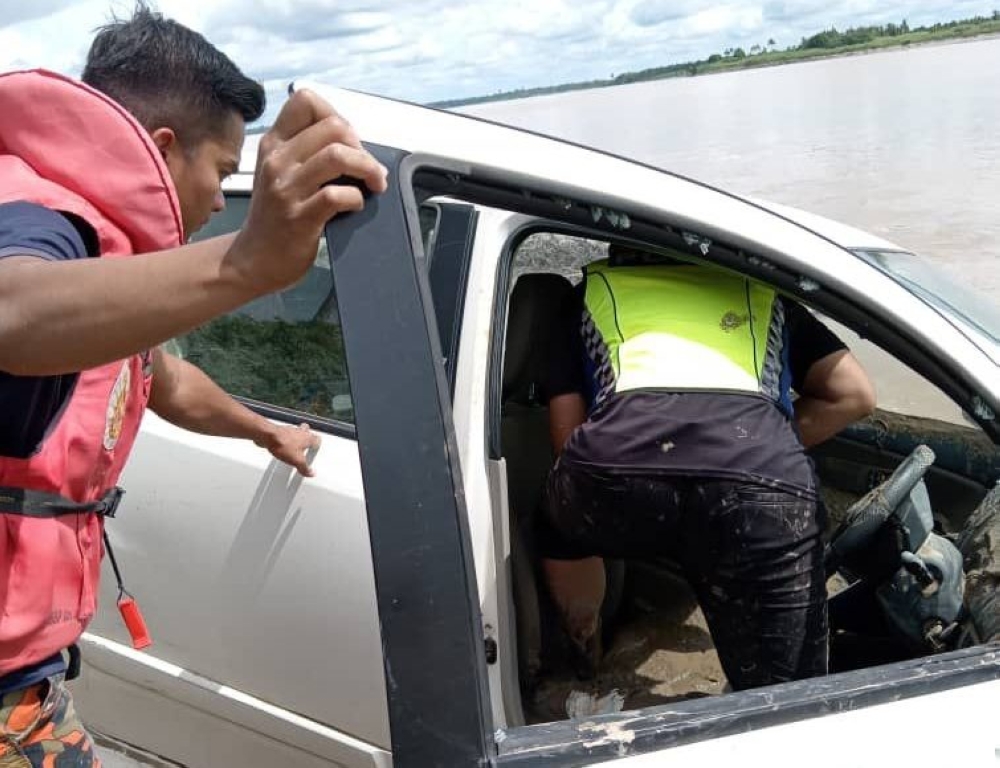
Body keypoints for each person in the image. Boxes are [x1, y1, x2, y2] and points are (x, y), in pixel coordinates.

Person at [0, 7, 388, 764]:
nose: (220, 200)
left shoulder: (105, 262)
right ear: (163, 147)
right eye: (221, 170)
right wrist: (244, 264)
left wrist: (262, 429)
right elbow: (10, 311)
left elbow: (161, 376)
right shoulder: (43, 219)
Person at [537, 243, 876, 691]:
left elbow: (567, 444)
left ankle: (586, 644)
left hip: (614, 483)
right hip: (760, 493)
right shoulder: (761, 294)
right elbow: (855, 395)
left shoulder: (589, 295)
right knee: (789, 696)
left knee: (557, 521)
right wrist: (755, 453)